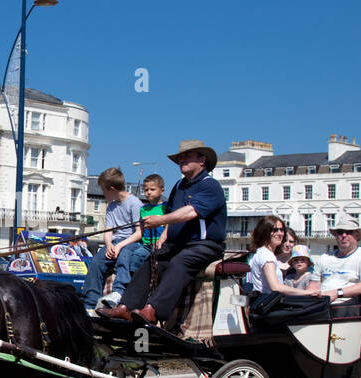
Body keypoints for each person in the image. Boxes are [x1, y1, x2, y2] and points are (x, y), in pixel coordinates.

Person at [100, 139, 226, 325]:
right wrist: (164, 237)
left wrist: (160, 220)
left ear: (201, 160)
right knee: (152, 260)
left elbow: (190, 212)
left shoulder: (210, 185)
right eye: (180, 158)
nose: (182, 160)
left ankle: (153, 310)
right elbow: (171, 214)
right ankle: (125, 307)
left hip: (204, 245)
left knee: (179, 262)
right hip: (179, 244)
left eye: (187, 157)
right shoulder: (179, 186)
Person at [81, 167, 146, 312]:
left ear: (111, 189)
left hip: (131, 242)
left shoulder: (134, 203)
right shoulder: (111, 206)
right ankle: (89, 304)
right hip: (114, 243)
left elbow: (138, 233)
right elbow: (109, 230)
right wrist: (109, 244)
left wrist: (119, 246)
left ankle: (118, 292)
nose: (103, 195)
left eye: (104, 191)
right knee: (96, 263)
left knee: (125, 256)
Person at [246, 216, 319, 296]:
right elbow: (275, 287)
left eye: (282, 230)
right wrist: (306, 292)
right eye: (275, 230)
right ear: (265, 232)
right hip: (269, 303)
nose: (280, 233)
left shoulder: (260, 252)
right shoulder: (267, 256)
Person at [313, 217, 361, 299]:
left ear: (357, 235)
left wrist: (337, 293)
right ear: (335, 235)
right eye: (340, 232)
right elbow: (313, 285)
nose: (344, 235)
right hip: (321, 305)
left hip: (348, 307)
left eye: (349, 232)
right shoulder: (324, 257)